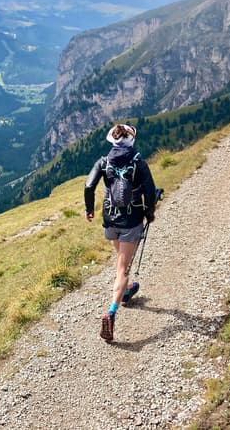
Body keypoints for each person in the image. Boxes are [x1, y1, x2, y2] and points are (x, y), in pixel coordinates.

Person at [84, 123, 156, 342]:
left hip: (109, 219)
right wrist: (149, 213)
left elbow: (89, 186)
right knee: (122, 269)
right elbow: (150, 192)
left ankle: (125, 293)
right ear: (131, 140)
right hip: (131, 220)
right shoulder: (139, 163)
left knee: (121, 259)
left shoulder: (103, 162)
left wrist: (89, 210)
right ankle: (111, 312)